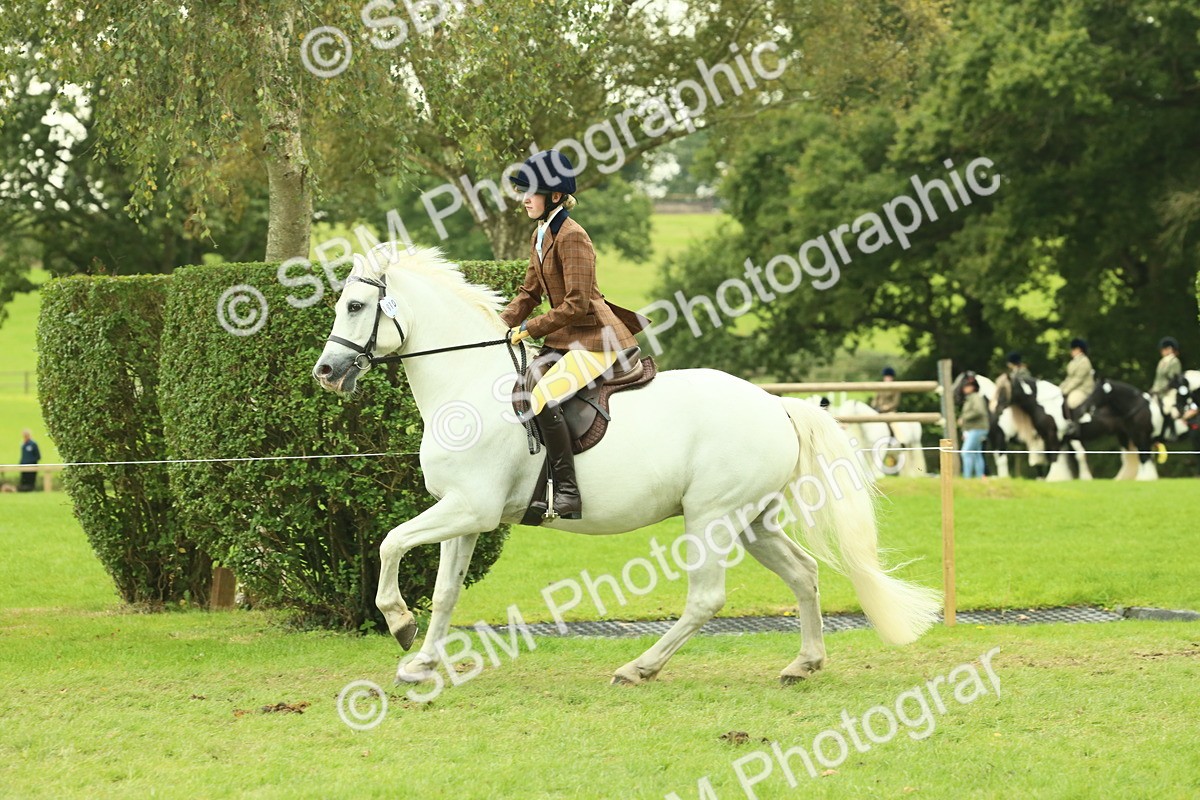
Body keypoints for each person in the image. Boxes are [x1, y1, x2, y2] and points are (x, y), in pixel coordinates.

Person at [500, 149, 644, 520]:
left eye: (531, 191)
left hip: (596, 338)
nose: (525, 198)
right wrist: (499, 324)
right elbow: (530, 292)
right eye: (523, 191)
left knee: (545, 396)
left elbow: (578, 303)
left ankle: (566, 490)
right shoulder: (542, 233)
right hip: (566, 340)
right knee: (525, 383)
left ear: (556, 197)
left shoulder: (572, 236)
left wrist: (529, 328)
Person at [957, 377, 989, 479]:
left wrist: (964, 418)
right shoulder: (970, 398)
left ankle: (967, 477)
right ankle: (980, 477)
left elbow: (979, 411)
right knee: (976, 453)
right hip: (974, 429)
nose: (965, 388)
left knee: (966, 452)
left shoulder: (975, 397)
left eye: (968, 386)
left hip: (977, 428)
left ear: (973, 387)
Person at [1059, 337, 1095, 424]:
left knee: (1072, 402)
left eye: (1073, 349)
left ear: (1079, 349)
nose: (1071, 351)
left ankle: (1077, 423)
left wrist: (1065, 390)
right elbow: (1069, 378)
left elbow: (1077, 380)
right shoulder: (1073, 362)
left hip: (1083, 389)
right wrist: (1059, 388)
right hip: (1075, 388)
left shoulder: (1084, 362)